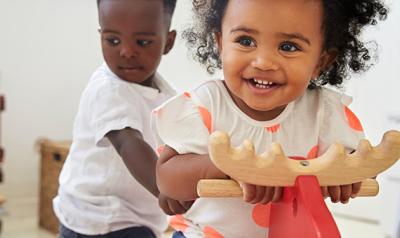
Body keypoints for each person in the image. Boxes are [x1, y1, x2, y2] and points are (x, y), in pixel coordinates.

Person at [153, 0, 388, 237]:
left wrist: (347, 175)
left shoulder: (323, 112)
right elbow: (167, 179)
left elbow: (363, 167)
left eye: (288, 46)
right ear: (221, 44)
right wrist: (230, 168)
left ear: (321, 62)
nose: (263, 62)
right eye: (246, 41)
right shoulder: (206, 106)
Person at [53, 0, 180, 237]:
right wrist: (166, 189)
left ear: (168, 42)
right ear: (101, 35)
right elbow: (128, 143)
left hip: (133, 214)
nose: (126, 51)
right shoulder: (108, 89)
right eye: (113, 40)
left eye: (142, 42)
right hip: (98, 217)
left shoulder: (165, 92)